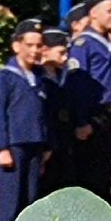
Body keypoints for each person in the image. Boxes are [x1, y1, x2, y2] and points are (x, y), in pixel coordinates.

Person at [0, 21, 51, 221]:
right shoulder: (6, 77)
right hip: (14, 146)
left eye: (39, 45)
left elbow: (43, 114)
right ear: (17, 46)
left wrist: (46, 145)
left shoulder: (39, 76)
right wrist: (1, 148)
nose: (35, 50)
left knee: (31, 197)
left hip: (35, 143)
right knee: (11, 198)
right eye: (30, 45)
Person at [66, 0, 111, 210]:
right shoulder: (84, 44)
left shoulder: (106, 41)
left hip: (110, 116)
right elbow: (77, 85)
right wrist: (82, 121)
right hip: (94, 117)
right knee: (92, 176)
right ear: (93, 14)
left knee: (107, 175)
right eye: (109, 11)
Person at [40, 28, 75, 194]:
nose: (65, 57)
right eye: (61, 52)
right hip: (47, 141)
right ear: (45, 50)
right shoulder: (37, 78)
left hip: (64, 140)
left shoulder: (64, 75)